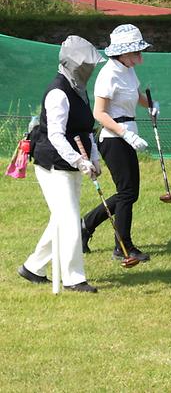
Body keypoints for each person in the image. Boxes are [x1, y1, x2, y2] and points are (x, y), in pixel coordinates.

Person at [19, 36, 105, 293]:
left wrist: (95, 158)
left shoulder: (79, 89)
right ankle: (73, 278)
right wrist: (79, 160)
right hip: (52, 164)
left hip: (73, 163)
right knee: (69, 221)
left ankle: (32, 267)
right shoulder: (58, 92)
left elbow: (87, 130)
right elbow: (56, 135)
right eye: (85, 65)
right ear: (72, 65)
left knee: (63, 217)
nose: (90, 69)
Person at [80, 24, 156, 264]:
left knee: (129, 193)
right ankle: (123, 246)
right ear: (122, 53)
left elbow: (136, 96)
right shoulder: (108, 74)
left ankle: (85, 226)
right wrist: (127, 134)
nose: (140, 57)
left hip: (127, 136)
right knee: (127, 193)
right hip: (114, 139)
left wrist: (151, 105)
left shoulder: (128, 70)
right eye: (136, 53)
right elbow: (99, 113)